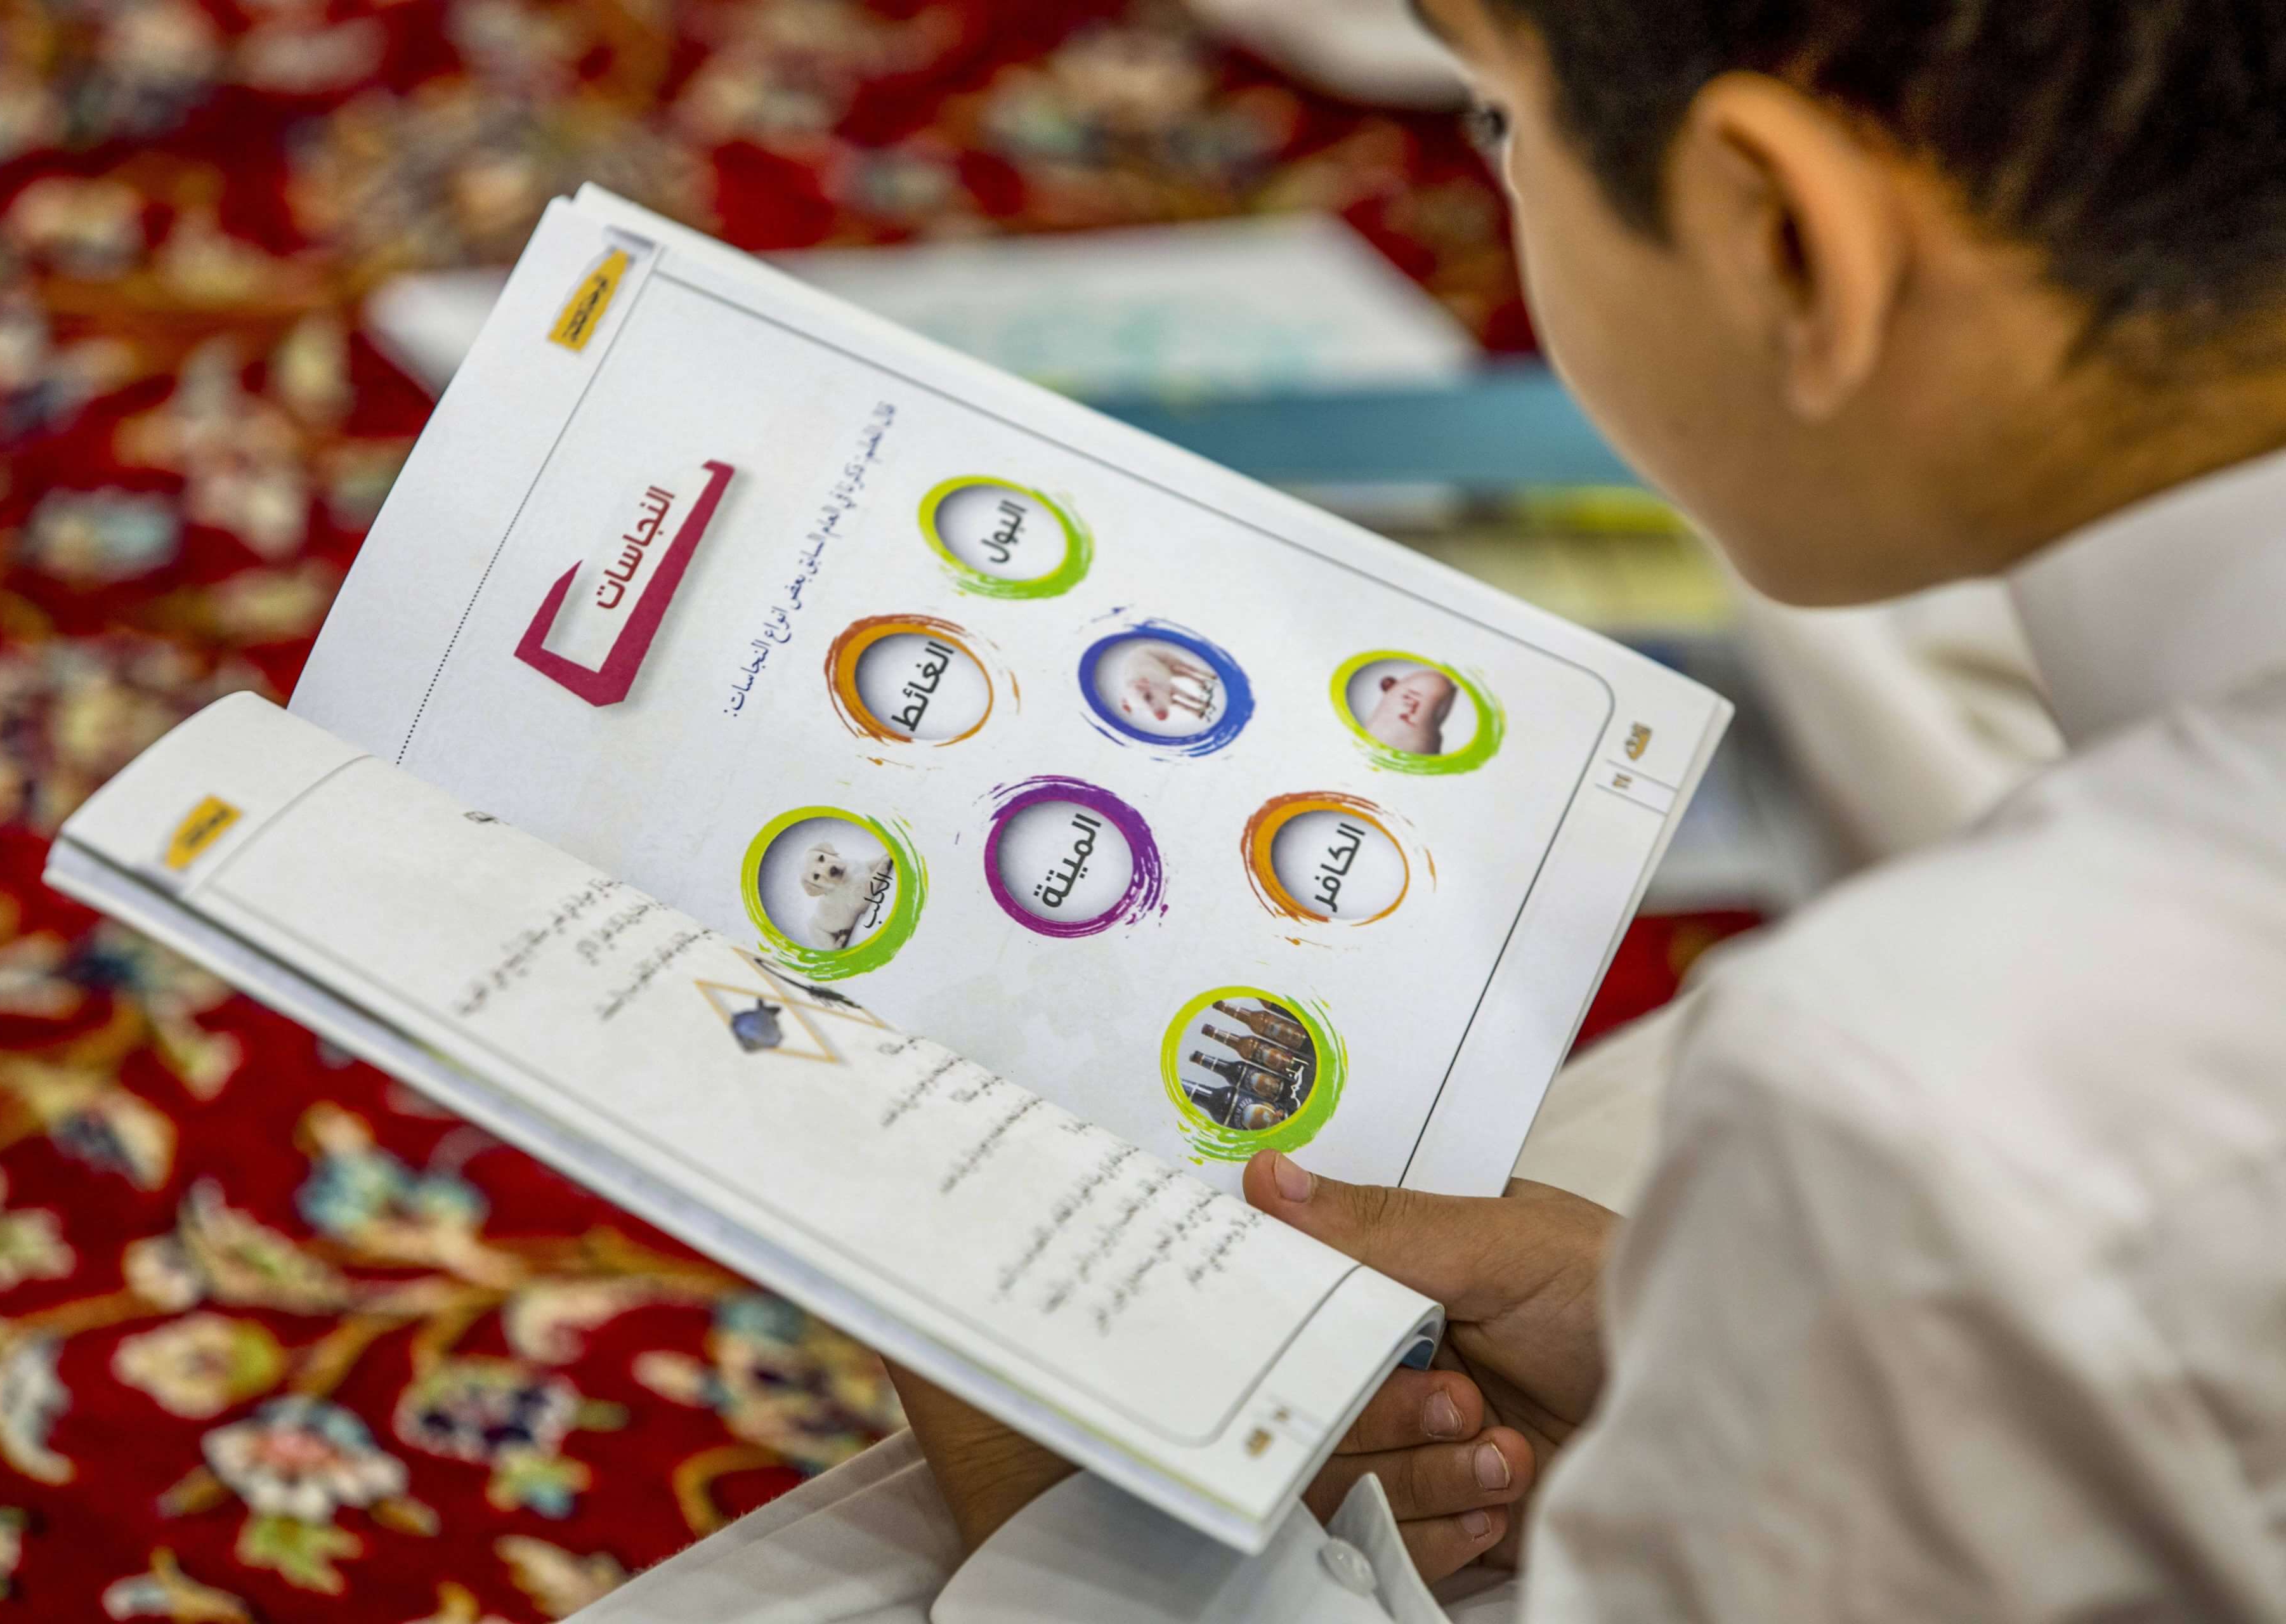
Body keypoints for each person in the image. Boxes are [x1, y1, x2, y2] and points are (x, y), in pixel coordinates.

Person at [581, 0, 2286, 1616]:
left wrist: (1057, 1467)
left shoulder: (1906, 1090)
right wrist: (1712, 1347)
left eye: (1497, 121)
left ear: (1781, 237)